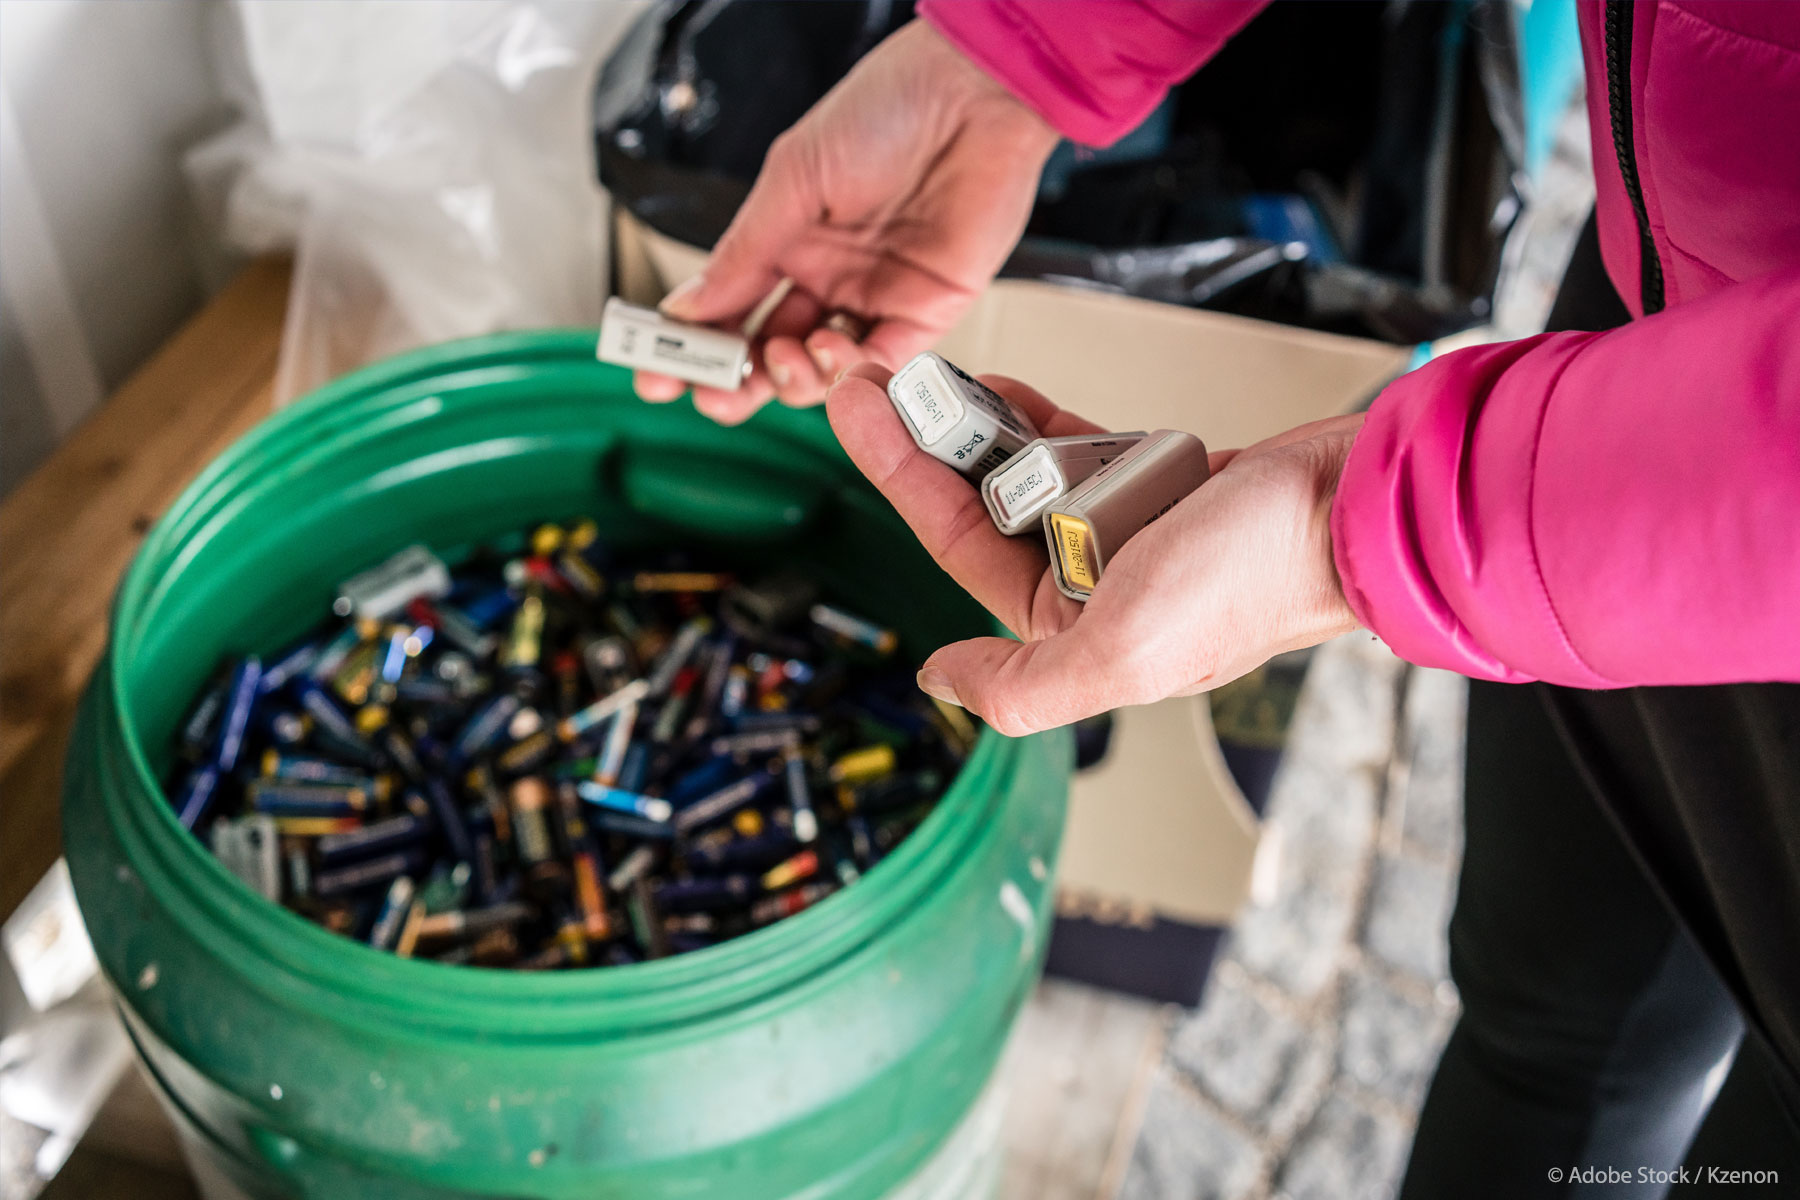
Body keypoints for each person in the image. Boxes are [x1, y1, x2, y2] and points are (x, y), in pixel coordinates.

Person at [634, 3, 1800, 1193]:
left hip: (1681, 499)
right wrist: (1021, 53)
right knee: (1552, 1020)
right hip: (1645, 327)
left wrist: (1352, 520)